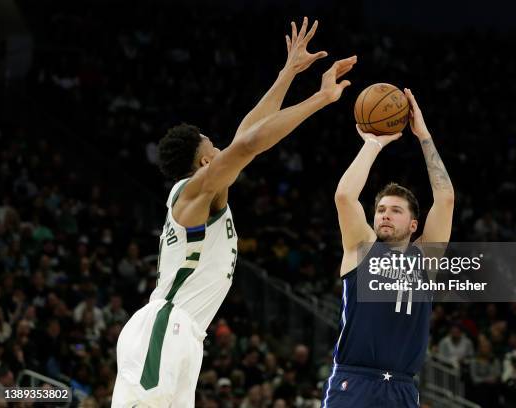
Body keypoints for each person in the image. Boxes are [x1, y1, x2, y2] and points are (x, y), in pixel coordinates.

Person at [112, 17, 357, 407]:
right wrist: (320, 99)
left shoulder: (206, 192)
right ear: (206, 158)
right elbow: (248, 145)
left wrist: (288, 72)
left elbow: (248, 133)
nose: (221, 148)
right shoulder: (191, 193)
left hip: (186, 335)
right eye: (214, 144)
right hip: (164, 327)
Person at [322, 89, 455, 407]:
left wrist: (423, 136)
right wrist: (373, 144)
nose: (384, 214)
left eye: (395, 210)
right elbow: (344, 197)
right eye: (381, 209)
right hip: (353, 381)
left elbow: (446, 198)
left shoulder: (425, 258)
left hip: (402, 388)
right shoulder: (361, 248)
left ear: (414, 225)